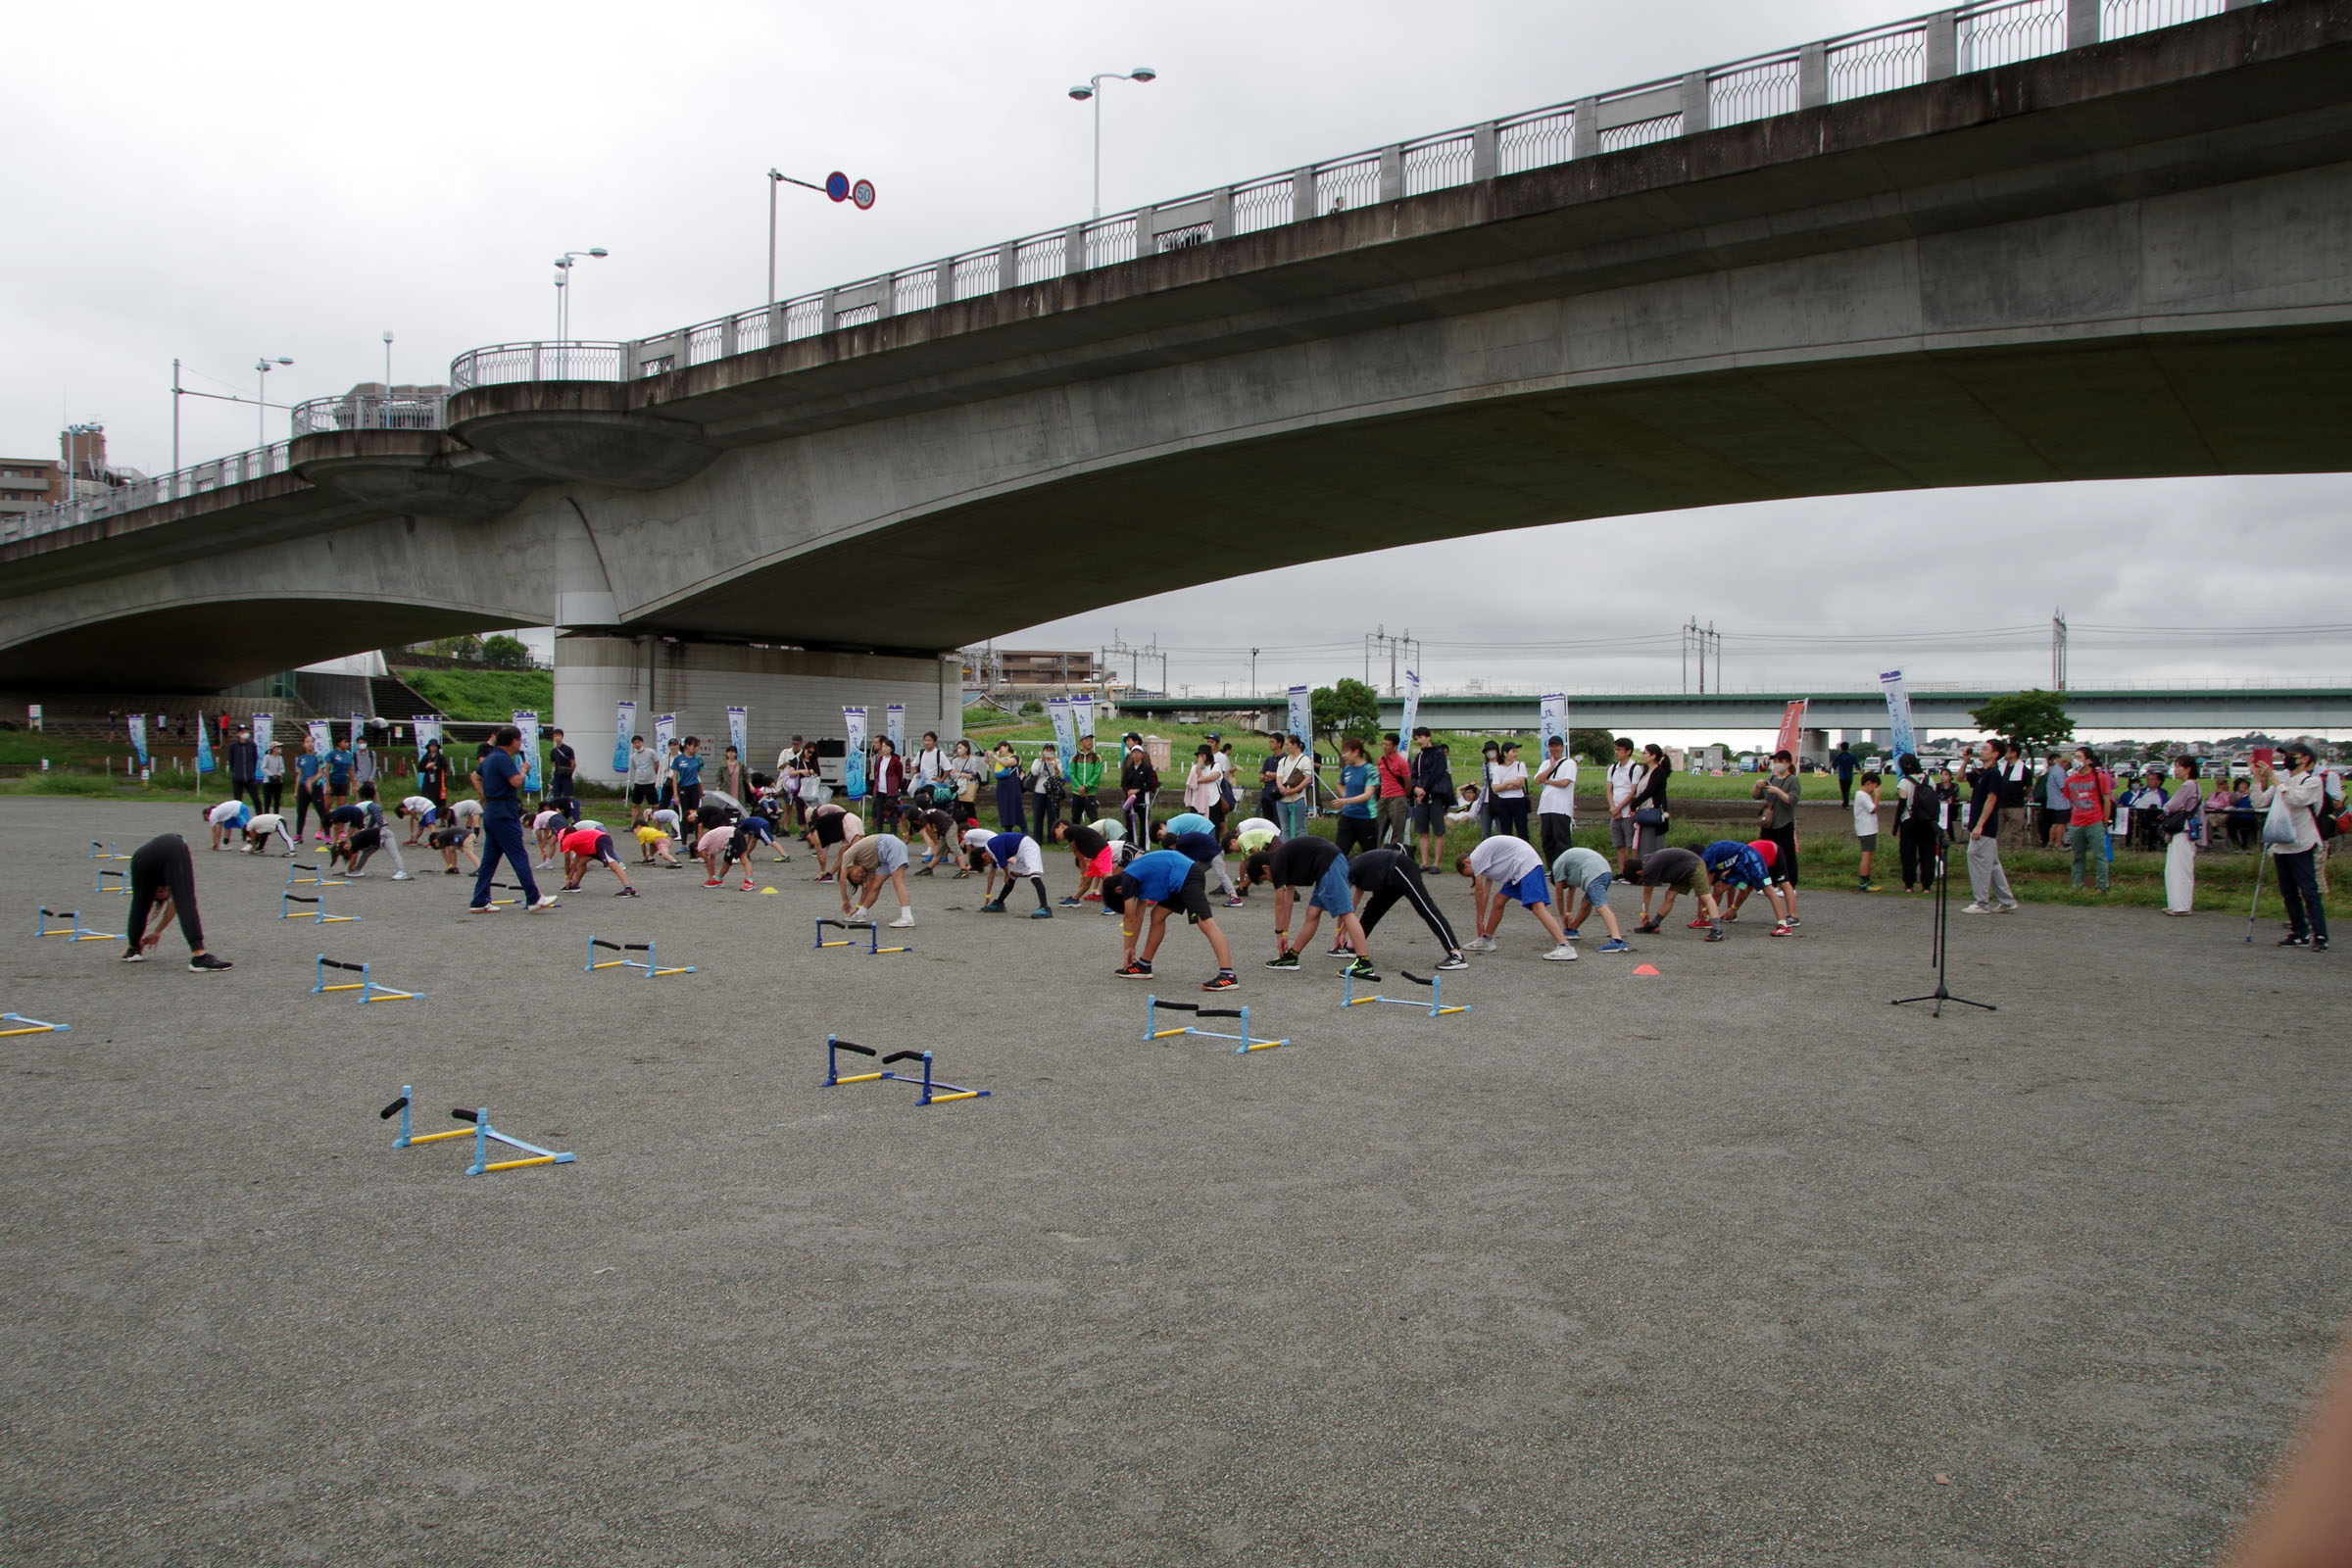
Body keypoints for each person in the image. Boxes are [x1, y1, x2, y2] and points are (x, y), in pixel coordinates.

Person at [1243, 835, 1380, 978]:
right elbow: (1288, 899)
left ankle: (1364, 962)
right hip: (1325, 866)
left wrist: (1278, 934)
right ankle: (1292, 956)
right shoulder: (1283, 860)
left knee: (1345, 912)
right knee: (1312, 913)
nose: (1269, 881)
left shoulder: (1276, 864)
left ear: (1265, 868)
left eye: (1265, 878)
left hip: (1330, 863)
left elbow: (1279, 904)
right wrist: (1285, 933)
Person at [1106, 847, 1240, 989]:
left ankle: (1228, 975)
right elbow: (1137, 917)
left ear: (1119, 890)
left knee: (1205, 921)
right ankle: (1144, 965)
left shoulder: (1128, 878)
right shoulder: (1135, 876)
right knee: (1157, 915)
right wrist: (1131, 948)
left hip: (1187, 875)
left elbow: (1129, 917)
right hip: (1178, 879)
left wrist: (1127, 949)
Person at [2250, 744, 2329, 951]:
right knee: (2288, 891)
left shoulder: (2312, 782)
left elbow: (2296, 799)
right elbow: (2258, 802)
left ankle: (2320, 935)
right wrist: (2257, 777)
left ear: (2305, 759)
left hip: (2302, 842)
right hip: (2281, 843)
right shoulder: (2283, 781)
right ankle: (2299, 932)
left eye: (2291, 755)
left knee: (2309, 890)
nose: (2287, 759)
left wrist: (2275, 780)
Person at [469, 725, 556, 913]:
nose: (520, 744)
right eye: (519, 740)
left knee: (489, 860)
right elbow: (516, 781)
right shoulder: (503, 758)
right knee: (518, 855)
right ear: (513, 741)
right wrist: (523, 770)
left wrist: (484, 796)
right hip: (504, 812)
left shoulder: (490, 757)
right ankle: (534, 898)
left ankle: (479, 899)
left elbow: (474, 776)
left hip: (492, 810)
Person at [1342, 847, 1470, 969]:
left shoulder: (1350, 868)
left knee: (1425, 907)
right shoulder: (1355, 867)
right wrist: (1343, 932)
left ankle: (1456, 954)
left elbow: (1346, 905)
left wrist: (1340, 932)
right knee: (1373, 908)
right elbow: (1353, 901)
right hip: (1389, 878)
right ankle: (1353, 945)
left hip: (1401, 867)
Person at [1453, 834, 1577, 960]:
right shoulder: (1483, 858)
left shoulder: (1476, 857)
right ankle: (1487, 940)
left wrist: (1479, 919)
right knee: (1499, 900)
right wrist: (1481, 917)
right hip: (1517, 872)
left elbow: (1479, 891)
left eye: (1471, 874)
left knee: (1537, 907)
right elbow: (1486, 892)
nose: (1473, 876)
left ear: (1466, 862)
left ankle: (1565, 946)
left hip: (1526, 865)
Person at [121, 834, 232, 971]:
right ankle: (199, 956)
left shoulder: (160, 876)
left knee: (140, 903)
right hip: (170, 845)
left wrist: (157, 931)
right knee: (186, 898)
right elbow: (180, 902)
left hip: (139, 858)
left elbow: (173, 903)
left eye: (162, 892)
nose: (163, 891)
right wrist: (157, 931)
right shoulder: (173, 856)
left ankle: (133, 949)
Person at [1960, 739, 2020, 915]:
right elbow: (1961, 778)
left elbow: (1992, 799)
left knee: (1977, 859)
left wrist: (1980, 825)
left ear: (1995, 754)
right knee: (1993, 864)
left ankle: (1981, 902)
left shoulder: (1994, 774)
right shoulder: (1982, 773)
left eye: (1986, 749)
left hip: (1984, 825)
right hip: (1979, 823)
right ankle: (2007, 901)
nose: (1982, 751)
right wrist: (1965, 760)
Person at [1631, 846, 1727, 940]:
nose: (1644, 881)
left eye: (1641, 880)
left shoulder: (1649, 867)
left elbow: (1647, 892)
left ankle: (1717, 930)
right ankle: (1654, 925)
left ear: (1639, 873)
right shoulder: (1646, 861)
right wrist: (1645, 912)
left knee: (1706, 896)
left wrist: (1645, 912)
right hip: (1682, 871)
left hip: (1695, 865)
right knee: (1669, 896)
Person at [1549, 845, 1631, 952]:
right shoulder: (1568, 865)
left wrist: (1562, 915)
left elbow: (1559, 896)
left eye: (1564, 886)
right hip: (1605, 870)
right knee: (1586, 904)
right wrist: (1568, 914)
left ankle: (1617, 940)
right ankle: (1572, 930)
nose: (1566, 887)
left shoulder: (1557, 868)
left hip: (1593, 872)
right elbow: (1571, 891)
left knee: (1601, 907)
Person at [1751, 750, 1801, 922]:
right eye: (1775, 761)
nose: (1776, 764)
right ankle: (1768, 882)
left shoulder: (1792, 780)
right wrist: (1758, 785)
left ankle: (1790, 884)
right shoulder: (1772, 778)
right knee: (1765, 853)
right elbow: (1757, 796)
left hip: (1784, 823)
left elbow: (1791, 800)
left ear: (1787, 763)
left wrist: (1777, 790)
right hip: (1769, 823)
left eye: (1780, 761)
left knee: (1786, 855)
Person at [1703, 839, 1790, 935]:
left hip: (1755, 858)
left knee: (1768, 891)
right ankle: (1707, 917)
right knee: (1720, 886)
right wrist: (1732, 909)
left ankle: (1783, 925)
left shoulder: (1709, 859)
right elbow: (1737, 887)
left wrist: (1733, 908)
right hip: (1741, 861)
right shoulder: (1721, 861)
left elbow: (1746, 890)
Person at [2063, 745, 2113, 894]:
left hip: (2095, 821)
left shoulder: (2099, 778)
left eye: (2079, 757)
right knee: (2078, 856)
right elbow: (2070, 800)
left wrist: (2105, 819)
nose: (2075, 760)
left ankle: (2101, 886)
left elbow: (2107, 800)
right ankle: (2077, 885)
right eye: (2075, 757)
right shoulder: (2070, 780)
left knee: (2099, 855)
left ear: (2088, 761)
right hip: (2076, 822)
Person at [841, 831, 918, 928]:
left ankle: (907, 917)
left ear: (850, 869)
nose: (860, 875)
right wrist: (857, 908)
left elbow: (842, 881)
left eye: (855, 875)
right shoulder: (868, 868)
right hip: (884, 857)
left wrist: (845, 901)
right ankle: (861, 914)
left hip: (889, 844)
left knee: (898, 882)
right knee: (875, 886)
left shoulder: (848, 855)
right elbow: (867, 889)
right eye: (860, 878)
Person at [2160, 756, 2205, 915]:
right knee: (2175, 867)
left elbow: (2172, 805)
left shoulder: (2188, 785)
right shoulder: (2195, 786)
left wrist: (2164, 809)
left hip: (2183, 830)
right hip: (2185, 829)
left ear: (2188, 769)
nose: (2175, 770)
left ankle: (2182, 905)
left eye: (2178, 766)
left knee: (2179, 867)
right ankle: (2176, 903)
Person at [976, 830, 1055, 917]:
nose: (989, 864)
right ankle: (999, 903)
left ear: (984, 856)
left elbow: (1004, 864)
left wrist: (1006, 874)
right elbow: (991, 876)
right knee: (1013, 876)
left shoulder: (993, 846)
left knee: (1034, 876)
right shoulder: (991, 851)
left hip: (1028, 847)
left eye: (986, 863)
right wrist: (988, 895)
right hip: (1021, 851)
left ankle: (1045, 908)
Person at [1894, 754, 1943, 893]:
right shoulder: (1930, 780)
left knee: (1908, 853)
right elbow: (1935, 802)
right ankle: (1926, 885)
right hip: (1927, 821)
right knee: (1927, 853)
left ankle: (1909, 884)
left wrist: (1896, 825)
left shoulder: (1905, 782)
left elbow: (1901, 805)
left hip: (1909, 821)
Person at [1408, 727, 1454, 872]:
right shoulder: (1419, 756)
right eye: (1417, 738)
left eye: (1421, 737)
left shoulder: (1439, 754)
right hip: (1421, 797)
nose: (1419, 740)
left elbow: (1437, 774)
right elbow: (1414, 774)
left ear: (1428, 737)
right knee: (1422, 831)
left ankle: (1437, 863)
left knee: (1438, 831)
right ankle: (1425, 861)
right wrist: (1416, 788)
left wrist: (1425, 791)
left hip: (1436, 796)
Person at [1604, 737, 1647, 879]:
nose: (1616, 752)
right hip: (1615, 811)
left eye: (1620, 749)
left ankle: (1632, 873)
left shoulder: (1635, 768)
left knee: (1631, 844)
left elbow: (1633, 791)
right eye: (1615, 749)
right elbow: (1609, 789)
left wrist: (1620, 808)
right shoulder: (1612, 768)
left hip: (1628, 812)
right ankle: (1622, 872)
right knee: (1619, 844)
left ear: (1628, 751)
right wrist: (1612, 807)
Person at [1533, 735, 1578, 867]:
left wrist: (1547, 781)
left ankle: (1564, 868)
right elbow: (1537, 780)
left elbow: (1564, 783)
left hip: (1561, 808)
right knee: (1547, 839)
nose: (1554, 749)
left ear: (1562, 747)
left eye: (1557, 746)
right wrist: (1550, 768)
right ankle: (1551, 867)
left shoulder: (1569, 763)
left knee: (1561, 840)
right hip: (1546, 807)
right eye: (1551, 746)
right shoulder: (1545, 764)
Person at [558, 823, 639, 896]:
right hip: (595, 844)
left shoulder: (567, 839)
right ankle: (574, 885)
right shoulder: (577, 839)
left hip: (599, 841)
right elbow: (575, 862)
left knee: (612, 864)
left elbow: (567, 861)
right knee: (581, 862)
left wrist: (567, 878)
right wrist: (569, 878)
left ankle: (628, 889)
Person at [1331, 737, 1379, 858]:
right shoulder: (1347, 769)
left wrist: (1345, 801)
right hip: (1347, 817)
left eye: (1346, 752)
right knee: (1338, 854)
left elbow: (1368, 795)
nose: (1343, 755)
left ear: (1356, 752)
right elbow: (1339, 783)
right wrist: (1346, 796)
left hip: (1366, 818)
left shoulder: (1371, 770)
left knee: (1370, 855)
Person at [1052, 818, 1118, 906]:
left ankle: (1113, 903)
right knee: (1087, 879)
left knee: (1107, 878)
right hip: (1095, 855)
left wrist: (1084, 861)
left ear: (1061, 825)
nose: (1057, 837)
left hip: (1101, 852)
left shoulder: (1068, 830)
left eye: (1055, 833)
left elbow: (1075, 851)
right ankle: (1075, 899)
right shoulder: (1075, 831)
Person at [1631, 743, 1673, 858]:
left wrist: (1633, 806)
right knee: (1643, 846)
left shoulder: (1659, 772)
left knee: (1650, 847)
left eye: (1645, 753)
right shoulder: (1646, 771)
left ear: (1653, 756)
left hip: (1652, 813)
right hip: (1644, 812)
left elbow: (1648, 792)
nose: (1643, 755)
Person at [1374, 733, 1412, 851]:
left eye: (1387, 745)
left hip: (1398, 797)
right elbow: (1381, 778)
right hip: (1383, 796)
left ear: (1394, 747)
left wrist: (1403, 796)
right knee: (1377, 827)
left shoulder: (1401, 762)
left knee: (1397, 829)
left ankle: (1393, 855)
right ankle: (1375, 852)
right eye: (1383, 744)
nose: (1384, 747)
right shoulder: (1381, 760)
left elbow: (1407, 783)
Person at [1488, 740, 1531, 844]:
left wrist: (1503, 785)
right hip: (1503, 802)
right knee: (1506, 832)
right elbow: (1495, 788)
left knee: (1522, 830)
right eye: (1513, 751)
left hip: (1518, 800)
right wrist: (1510, 782)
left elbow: (1520, 784)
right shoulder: (1498, 769)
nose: (1516, 754)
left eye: (1516, 751)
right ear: (1505, 753)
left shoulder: (1520, 765)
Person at [1272, 733, 1313, 842]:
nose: (1286, 747)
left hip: (1298, 798)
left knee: (1300, 828)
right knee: (1285, 829)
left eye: (1288, 744)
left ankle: (1303, 851)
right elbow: (1279, 776)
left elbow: (1307, 779)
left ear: (1295, 745)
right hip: (1282, 799)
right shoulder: (1283, 761)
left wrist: (1294, 790)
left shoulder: (1305, 760)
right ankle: (1286, 852)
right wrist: (1281, 787)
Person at [1120, 742, 1159, 844]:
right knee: (1130, 824)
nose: (1136, 755)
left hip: (1142, 800)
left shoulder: (1147, 769)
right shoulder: (1129, 770)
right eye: (1134, 752)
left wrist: (1137, 790)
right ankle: (1131, 844)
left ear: (1142, 755)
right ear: (1131, 755)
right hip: (1131, 801)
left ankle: (1144, 846)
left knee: (1143, 825)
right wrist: (1127, 791)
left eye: (1138, 752)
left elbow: (1149, 785)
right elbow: (1123, 783)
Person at [1852, 770, 1884, 892]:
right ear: (1869, 783)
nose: (1874, 790)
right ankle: (1864, 881)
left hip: (1867, 829)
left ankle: (1866, 879)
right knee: (1866, 854)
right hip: (1866, 830)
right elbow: (1873, 809)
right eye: (1874, 787)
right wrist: (1878, 797)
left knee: (1868, 854)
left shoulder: (1862, 795)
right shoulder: (1862, 795)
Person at [293, 736, 328, 842]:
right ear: (303, 744)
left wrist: (311, 781)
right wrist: (296, 791)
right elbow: (299, 775)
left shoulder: (319, 757)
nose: (309, 744)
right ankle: (298, 835)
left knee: (321, 811)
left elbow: (320, 773)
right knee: (301, 812)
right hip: (303, 788)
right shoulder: (301, 758)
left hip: (315, 787)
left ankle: (327, 835)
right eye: (307, 742)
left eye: (311, 742)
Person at [1027, 745, 1064, 843]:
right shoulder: (1037, 761)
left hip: (1052, 792)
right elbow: (1034, 772)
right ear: (1043, 751)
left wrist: (1054, 765)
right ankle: (1037, 839)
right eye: (1046, 750)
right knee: (1038, 816)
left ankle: (1052, 839)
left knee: (1052, 816)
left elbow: (1058, 773)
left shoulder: (1057, 761)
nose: (1048, 752)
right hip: (1039, 791)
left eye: (1050, 750)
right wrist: (1042, 761)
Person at [1067, 736, 1102, 827]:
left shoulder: (1097, 758)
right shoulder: (1074, 758)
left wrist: (1086, 786)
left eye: (1091, 740)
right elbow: (1072, 774)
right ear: (1081, 743)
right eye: (1087, 740)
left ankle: (1096, 839)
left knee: (1094, 819)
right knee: (1075, 819)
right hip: (1077, 793)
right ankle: (1075, 839)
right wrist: (1079, 787)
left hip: (1090, 793)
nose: (1090, 742)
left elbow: (1096, 774)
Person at [672, 736, 708, 822]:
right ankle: (683, 834)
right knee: (684, 814)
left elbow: (700, 777)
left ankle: (697, 834)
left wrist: (702, 791)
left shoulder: (699, 759)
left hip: (695, 788)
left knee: (696, 814)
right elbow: (675, 777)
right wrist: (676, 795)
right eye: (694, 746)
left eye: (697, 746)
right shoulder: (678, 759)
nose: (696, 748)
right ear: (687, 746)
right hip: (683, 788)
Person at [2042, 753, 2072, 850]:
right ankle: (2058, 843)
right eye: (2068, 765)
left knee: (2055, 823)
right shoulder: (2060, 772)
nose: (2068, 767)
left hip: (2053, 801)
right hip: (2061, 802)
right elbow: (2063, 788)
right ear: (2065, 762)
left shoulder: (2054, 769)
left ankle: (2051, 843)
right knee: (2061, 824)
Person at [226, 725, 259, 811]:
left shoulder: (252, 745)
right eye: (243, 731)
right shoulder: (233, 746)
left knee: (256, 798)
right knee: (237, 801)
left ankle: (260, 816)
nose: (245, 734)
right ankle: (239, 818)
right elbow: (231, 760)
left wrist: (251, 771)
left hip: (250, 777)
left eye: (246, 731)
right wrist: (235, 773)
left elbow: (255, 759)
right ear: (238, 733)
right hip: (238, 778)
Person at [323, 731, 355, 812]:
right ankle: (325, 822)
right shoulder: (332, 754)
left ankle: (338, 823)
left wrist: (354, 783)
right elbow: (327, 769)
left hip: (343, 782)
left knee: (341, 807)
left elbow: (350, 770)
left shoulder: (348, 755)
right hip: (333, 781)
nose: (347, 744)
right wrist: (327, 784)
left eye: (348, 742)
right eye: (345, 742)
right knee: (327, 805)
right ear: (339, 743)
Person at [259, 741, 285, 815]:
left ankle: (276, 814)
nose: (279, 749)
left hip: (278, 781)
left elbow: (282, 768)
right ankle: (266, 814)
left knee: (277, 800)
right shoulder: (267, 757)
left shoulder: (280, 758)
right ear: (273, 748)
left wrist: (280, 773)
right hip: (268, 781)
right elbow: (263, 768)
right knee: (268, 800)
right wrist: (271, 774)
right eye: (277, 747)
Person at [1831, 742, 1858, 808]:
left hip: (1842, 776)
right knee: (1847, 789)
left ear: (1841, 748)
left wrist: (1835, 767)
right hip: (1849, 776)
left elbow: (1834, 765)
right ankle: (1846, 802)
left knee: (1843, 790)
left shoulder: (1839, 756)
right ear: (1848, 747)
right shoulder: (1851, 756)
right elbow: (1857, 765)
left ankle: (1845, 803)